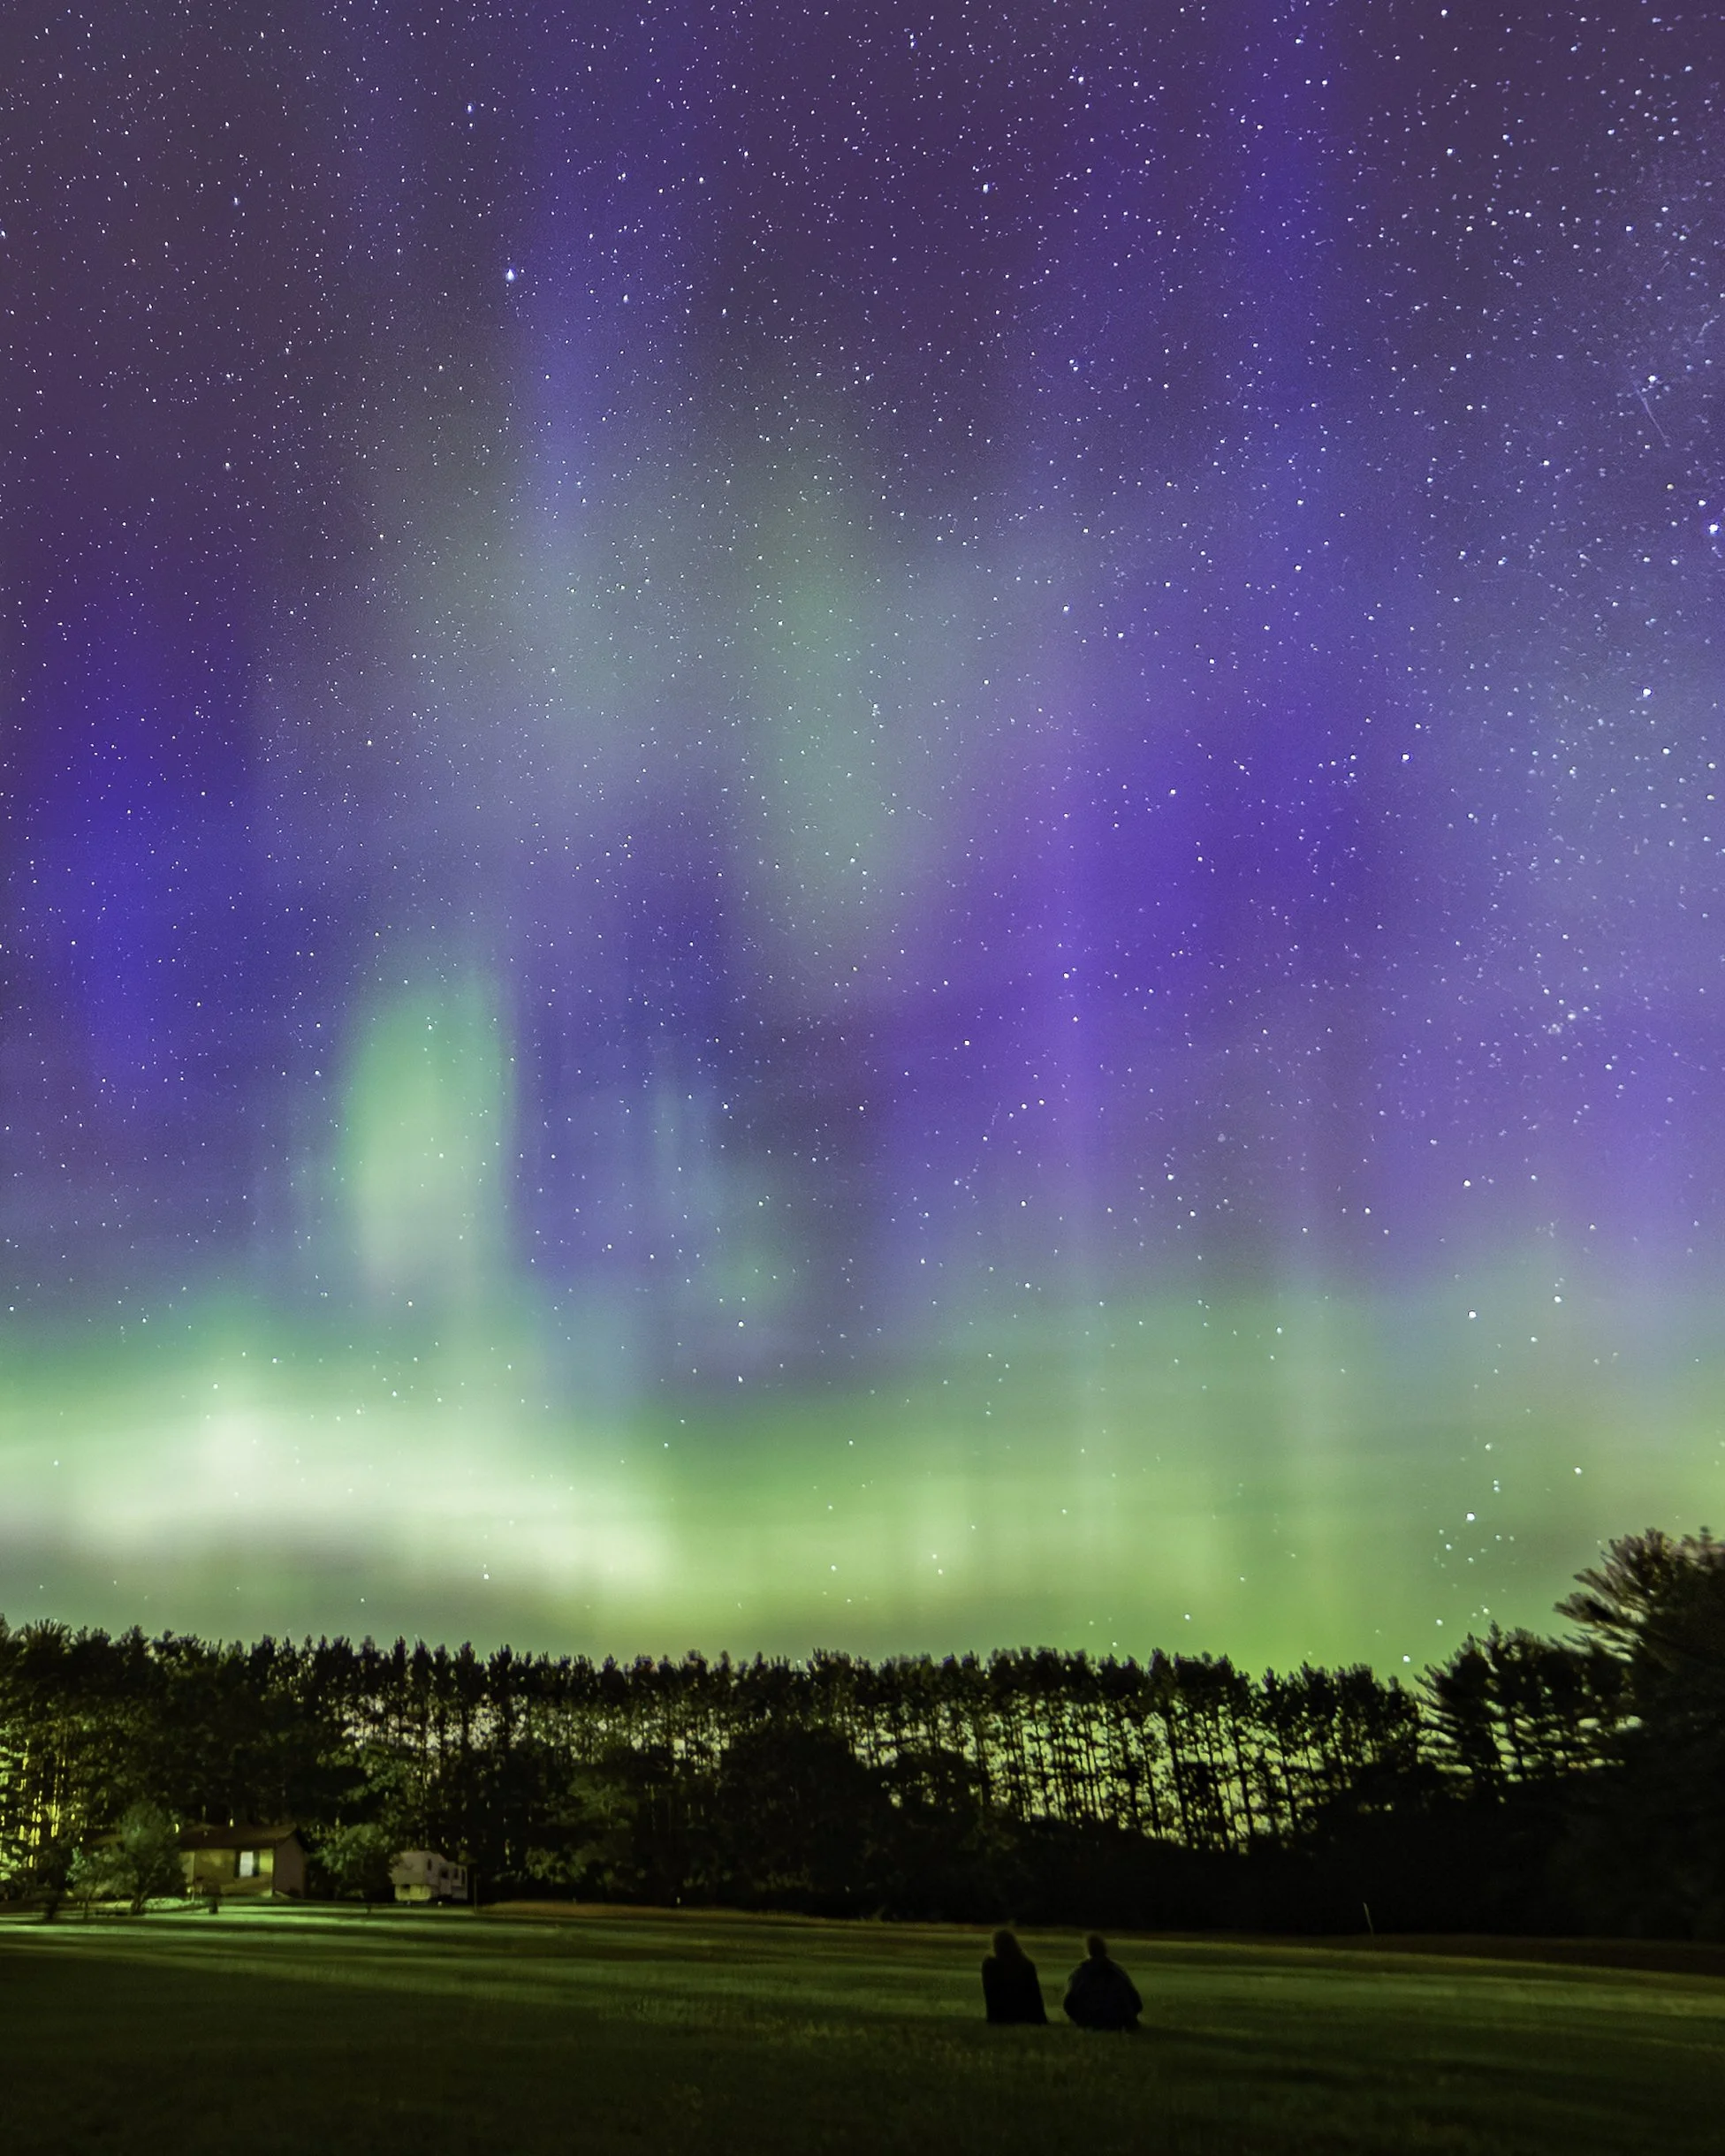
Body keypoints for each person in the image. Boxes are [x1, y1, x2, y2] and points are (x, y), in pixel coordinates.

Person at [1062, 1932, 1142, 2031]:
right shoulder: (1117, 1972)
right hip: (1116, 2021)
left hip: (1088, 2020)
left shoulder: (1080, 1973)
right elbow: (1136, 2001)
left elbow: (1068, 2002)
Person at [980, 1928, 1048, 2024]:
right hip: (1024, 2014)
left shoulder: (990, 1965)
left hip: (1000, 2015)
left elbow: (990, 1996)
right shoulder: (1026, 1965)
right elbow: (1035, 1997)